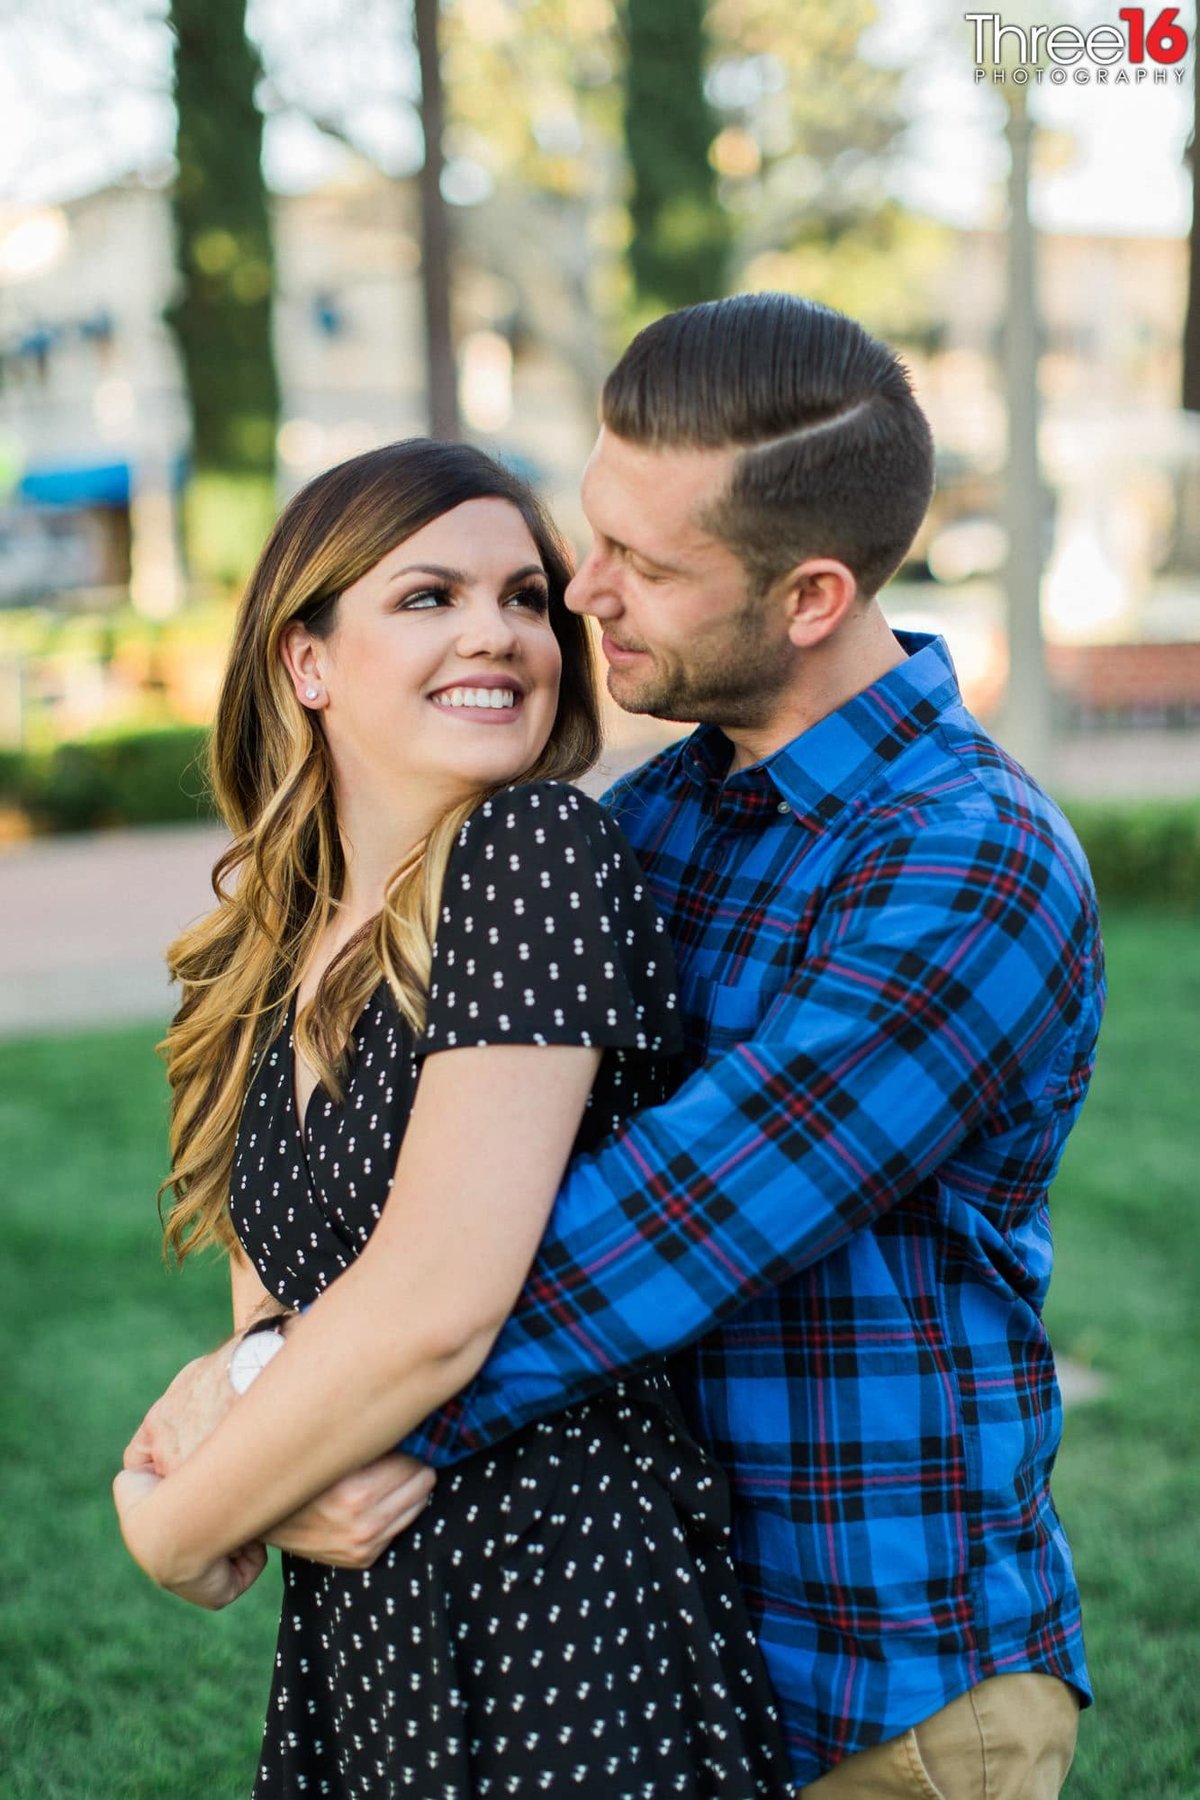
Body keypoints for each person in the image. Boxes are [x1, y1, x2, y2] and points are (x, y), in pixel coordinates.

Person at [124, 292, 1103, 1798]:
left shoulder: (969, 867)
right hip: (642, 1621)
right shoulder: (644, 826)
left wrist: (258, 1444)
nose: (580, 596)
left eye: (640, 565)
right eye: (593, 534)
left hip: (881, 1685)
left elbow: (636, 1245)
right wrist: (280, 1374)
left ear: (811, 596)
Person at [112, 437, 794, 1799]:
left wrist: (174, 1524)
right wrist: (259, 1406)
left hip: (563, 1612)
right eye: (430, 597)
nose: (499, 632)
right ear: (306, 662)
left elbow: (436, 1303)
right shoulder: (279, 943)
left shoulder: (533, 853)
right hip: (363, 1610)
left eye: (527, 598)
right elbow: (277, 1308)